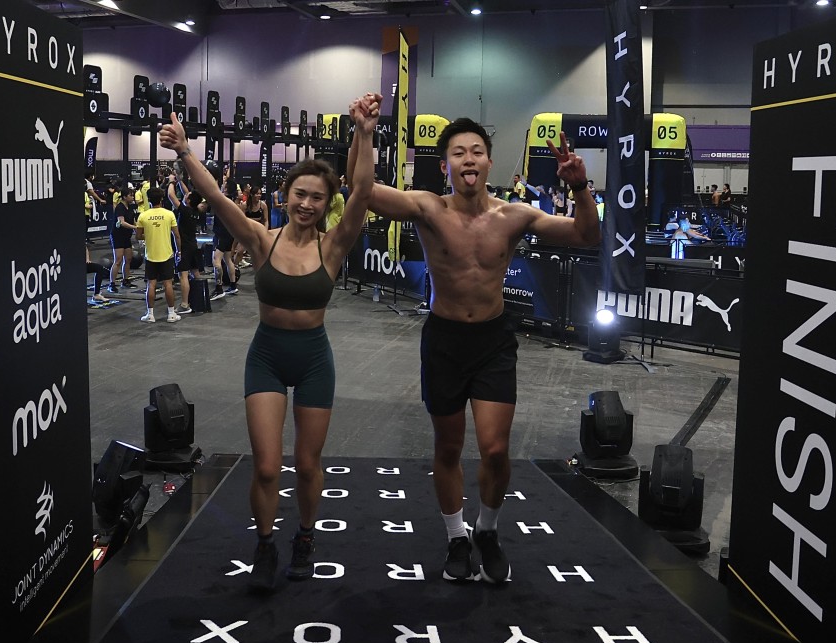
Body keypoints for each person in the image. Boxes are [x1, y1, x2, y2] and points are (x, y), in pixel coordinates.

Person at [349, 119, 600, 585]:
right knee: (448, 446)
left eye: (476, 151)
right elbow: (361, 190)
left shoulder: (514, 216)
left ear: (488, 162)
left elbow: (587, 235)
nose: (468, 159)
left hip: (492, 342)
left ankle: (486, 529)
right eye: (459, 152)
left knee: (496, 449)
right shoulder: (427, 208)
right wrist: (363, 134)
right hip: (444, 340)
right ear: (447, 164)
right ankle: (456, 539)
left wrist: (580, 185)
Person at [159, 91, 380, 592]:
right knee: (264, 466)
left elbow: (364, 191)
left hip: (314, 360)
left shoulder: (334, 244)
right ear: (286, 195)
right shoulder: (263, 239)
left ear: (327, 203)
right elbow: (215, 196)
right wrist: (186, 151)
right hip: (266, 356)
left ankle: (304, 536)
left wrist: (364, 134)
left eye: (317, 197)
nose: (306, 204)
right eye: (299, 194)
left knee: (306, 464)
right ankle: (264, 542)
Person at [135, 187, 182, 323]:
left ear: (148, 200)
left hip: (151, 256)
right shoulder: (169, 214)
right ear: (161, 199)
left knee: (151, 284)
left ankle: (150, 315)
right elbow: (177, 236)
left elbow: (138, 236)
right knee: (168, 284)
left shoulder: (143, 216)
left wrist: (149, 234)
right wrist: (179, 250)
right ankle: (171, 314)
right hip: (166, 255)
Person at [170, 188, 208, 315]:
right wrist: (180, 180)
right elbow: (189, 194)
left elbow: (170, 195)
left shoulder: (185, 210)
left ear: (189, 200)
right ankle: (199, 300)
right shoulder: (196, 211)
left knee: (183, 276)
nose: (186, 195)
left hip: (185, 247)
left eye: (188, 195)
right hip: (193, 245)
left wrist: (171, 181)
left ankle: (185, 304)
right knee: (195, 273)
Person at [109, 187, 138, 293]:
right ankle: (111, 284)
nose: (133, 197)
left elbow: (133, 220)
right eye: (131, 195)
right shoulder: (120, 207)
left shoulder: (130, 207)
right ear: (125, 197)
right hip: (118, 236)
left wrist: (137, 230)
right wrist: (135, 228)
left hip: (126, 236)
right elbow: (122, 222)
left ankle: (125, 280)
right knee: (118, 260)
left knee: (128, 259)